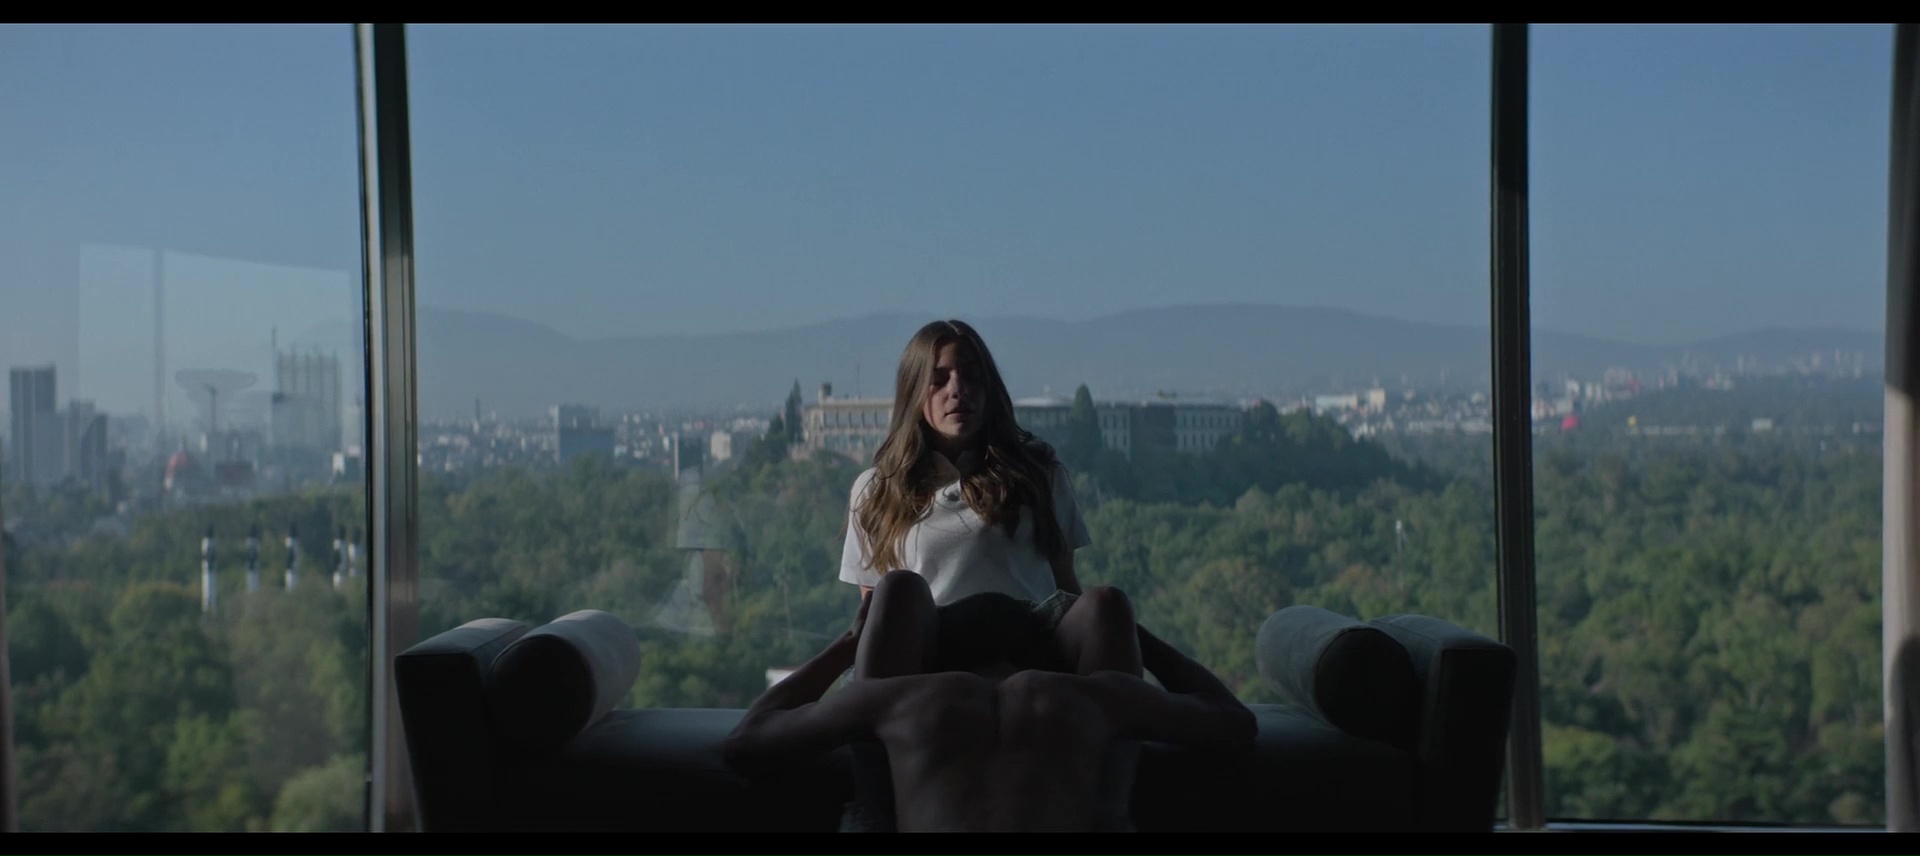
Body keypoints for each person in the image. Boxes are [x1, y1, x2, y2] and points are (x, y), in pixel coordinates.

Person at [722, 570, 1258, 832]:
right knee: (1107, 603)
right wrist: (1141, 638)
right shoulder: (1095, 698)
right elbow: (1233, 721)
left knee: (898, 588)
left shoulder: (898, 701)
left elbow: (748, 740)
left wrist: (847, 645)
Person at [836, 319, 1107, 674]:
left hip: (1029, 655)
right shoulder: (877, 490)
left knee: (1108, 605)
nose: (958, 390)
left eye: (972, 376)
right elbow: (877, 614)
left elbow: (1065, 586)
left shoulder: (1038, 473)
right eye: (939, 379)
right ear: (913, 391)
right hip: (928, 664)